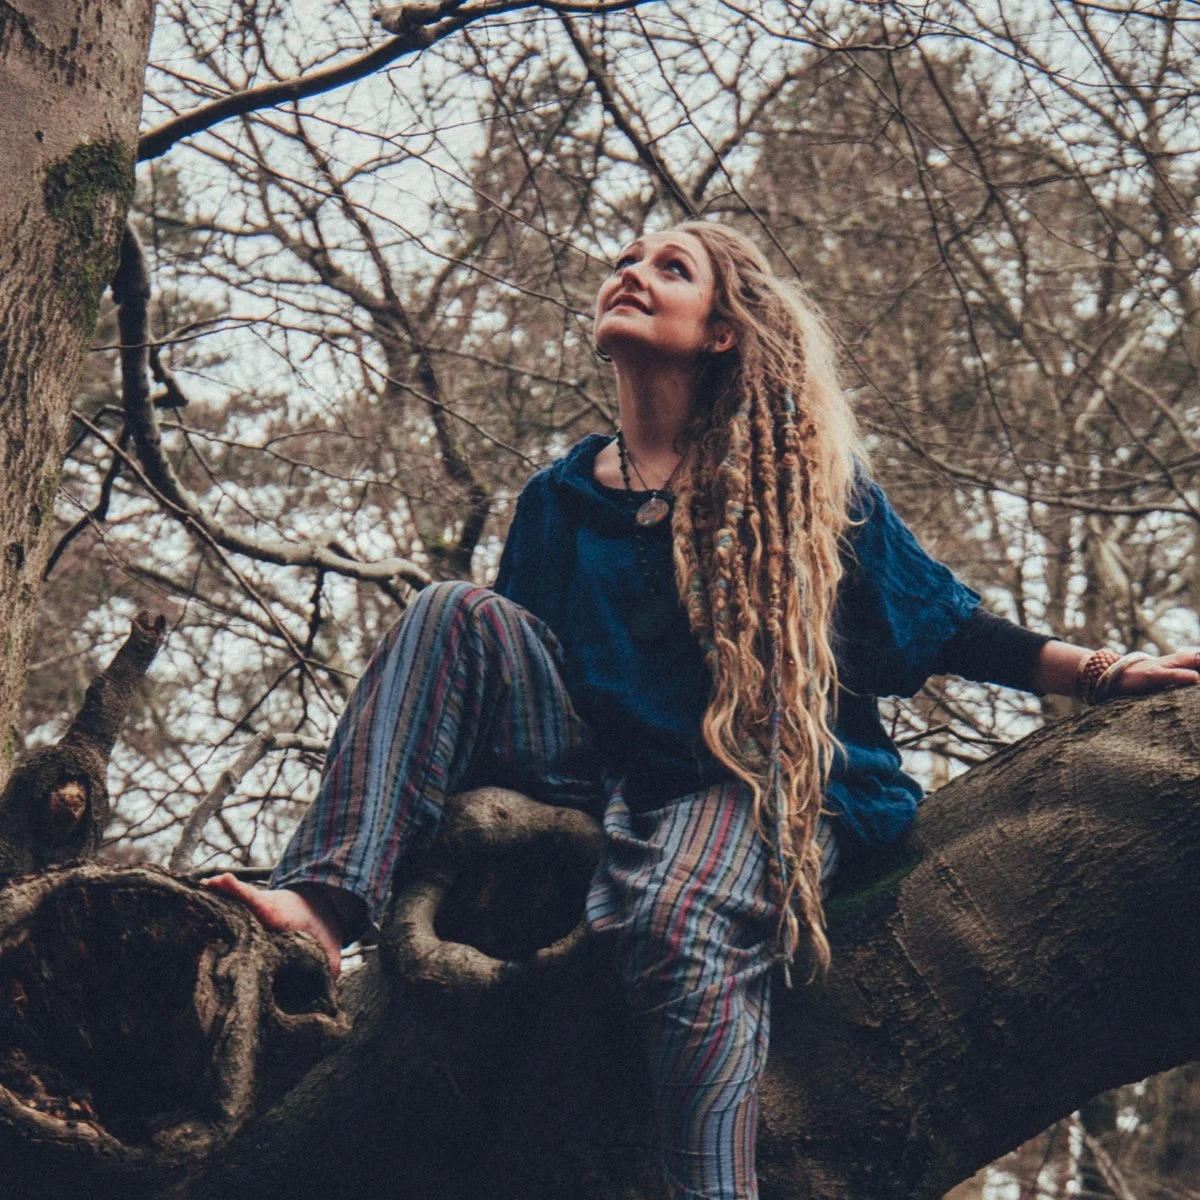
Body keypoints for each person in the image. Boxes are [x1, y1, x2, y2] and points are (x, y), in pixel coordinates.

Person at [205, 221, 1200, 1200]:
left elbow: (941, 626)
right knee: (449, 612)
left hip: (745, 776)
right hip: (596, 768)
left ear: (724, 329)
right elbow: (514, 663)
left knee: (676, 920)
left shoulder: (802, 483)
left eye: (668, 268)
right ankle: (320, 910)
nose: (630, 275)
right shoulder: (560, 497)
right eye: (623, 263)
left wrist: (1105, 674)